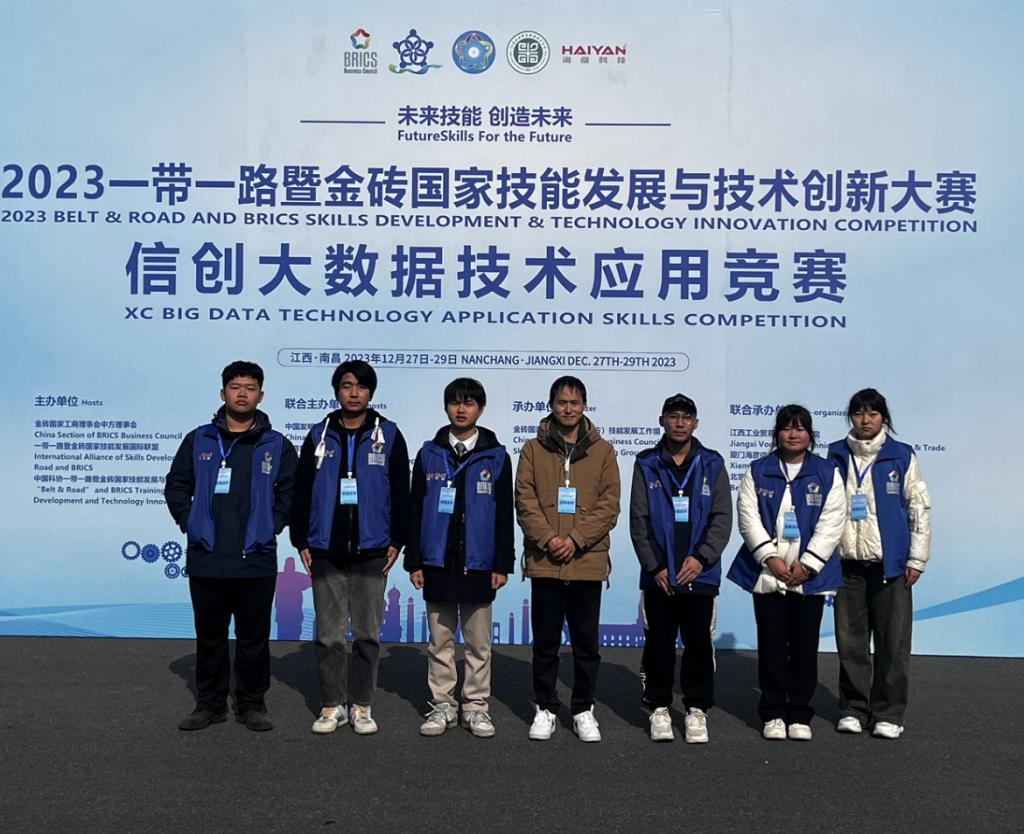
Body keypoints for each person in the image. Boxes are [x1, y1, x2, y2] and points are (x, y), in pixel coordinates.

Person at [164, 361, 297, 732]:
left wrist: (272, 524)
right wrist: (190, 522)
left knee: (254, 638)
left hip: (255, 557)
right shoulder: (199, 440)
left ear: (261, 395)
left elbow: (290, 491)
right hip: (207, 555)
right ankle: (209, 704)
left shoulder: (276, 444)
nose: (242, 394)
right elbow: (176, 484)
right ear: (222, 393)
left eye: (250, 388)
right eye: (235, 387)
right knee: (210, 637)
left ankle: (252, 704)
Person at [290, 360, 410, 736]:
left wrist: (397, 539)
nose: (353, 393)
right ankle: (332, 705)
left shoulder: (389, 435)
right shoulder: (318, 435)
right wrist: (301, 539)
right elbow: (302, 490)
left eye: (361, 386)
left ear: (371, 392)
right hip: (325, 549)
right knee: (328, 635)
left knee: (366, 635)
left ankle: (361, 705)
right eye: (346, 385)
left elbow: (401, 492)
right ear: (336, 391)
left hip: (373, 550)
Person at [404, 378, 515, 738]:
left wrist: (502, 563)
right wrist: (414, 561)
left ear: (481, 409)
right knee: (440, 641)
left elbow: (504, 514)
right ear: (446, 407)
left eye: (469, 403)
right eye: (455, 402)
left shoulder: (496, 457)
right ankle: (442, 705)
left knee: (478, 644)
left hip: (479, 562)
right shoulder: (429, 454)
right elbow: (415, 511)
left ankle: (476, 707)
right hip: (436, 561)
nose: (461, 409)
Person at [727, 404, 844, 741]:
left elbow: (833, 521)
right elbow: (748, 518)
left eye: (800, 428)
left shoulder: (826, 472)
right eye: (787, 428)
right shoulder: (759, 470)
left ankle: (800, 714)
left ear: (810, 435)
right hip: (770, 574)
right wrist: (771, 559)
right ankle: (774, 712)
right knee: (772, 646)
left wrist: (808, 564)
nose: (793, 434)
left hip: (810, 577)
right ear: (776, 433)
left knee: (805, 648)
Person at [515, 376, 620, 742]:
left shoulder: (603, 451)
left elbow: (609, 504)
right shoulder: (533, 449)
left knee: (585, 645)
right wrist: (549, 539)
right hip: (545, 561)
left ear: (585, 405)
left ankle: (583, 709)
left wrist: (575, 540)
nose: (568, 408)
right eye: (562, 402)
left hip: (587, 562)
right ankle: (545, 708)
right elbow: (524, 500)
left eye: (575, 403)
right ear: (551, 405)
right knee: (545, 644)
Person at [827, 388, 931, 739]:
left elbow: (919, 508)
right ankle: (853, 708)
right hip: (847, 565)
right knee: (850, 642)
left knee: (892, 643)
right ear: (851, 417)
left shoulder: (901, 455)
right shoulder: (836, 453)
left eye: (872, 413)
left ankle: (889, 712)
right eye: (859, 413)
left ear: (883, 418)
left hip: (891, 565)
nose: (865, 420)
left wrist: (917, 558)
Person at [630, 394, 732, 743]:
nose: (679, 423)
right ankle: (658, 708)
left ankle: (696, 709)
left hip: (699, 573)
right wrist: (656, 566)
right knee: (658, 644)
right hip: (659, 576)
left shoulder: (712, 463)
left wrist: (701, 558)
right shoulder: (646, 463)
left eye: (686, 417)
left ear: (696, 423)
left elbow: (721, 518)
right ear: (662, 421)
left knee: (698, 645)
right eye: (673, 416)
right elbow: (639, 521)